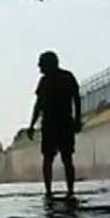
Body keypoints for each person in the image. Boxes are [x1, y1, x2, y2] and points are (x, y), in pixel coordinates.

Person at [27, 51, 82, 199]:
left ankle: (51, 192)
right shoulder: (59, 78)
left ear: (49, 64)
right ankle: (66, 192)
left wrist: (32, 125)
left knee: (53, 159)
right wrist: (77, 119)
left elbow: (76, 99)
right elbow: (76, 99)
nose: (39, 67)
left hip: (56, 124)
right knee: (63, 159)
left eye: (41, 64)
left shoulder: (59, 79)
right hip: (60, 124)